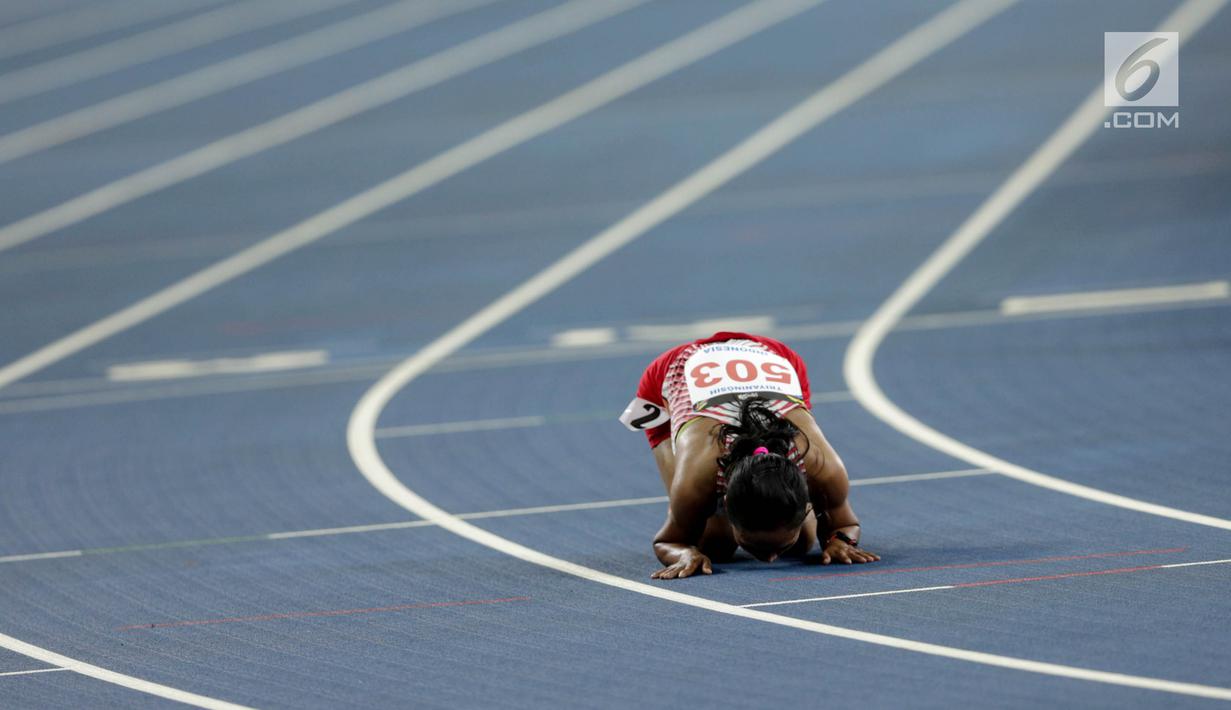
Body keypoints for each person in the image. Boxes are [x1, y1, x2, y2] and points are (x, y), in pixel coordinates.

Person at [620, 332, 879, 579]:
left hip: (776, 358)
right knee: (714, 545)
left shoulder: (822, 465)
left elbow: (845, 524)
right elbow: (668, 540)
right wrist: (685, 552)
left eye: (778, 547)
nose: (769, 560)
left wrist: (839, 541)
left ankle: (785, 531)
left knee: (803, 543)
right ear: (727, 503)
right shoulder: (697, 476)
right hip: (675, 369)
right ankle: (722, 525)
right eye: (752, 546)